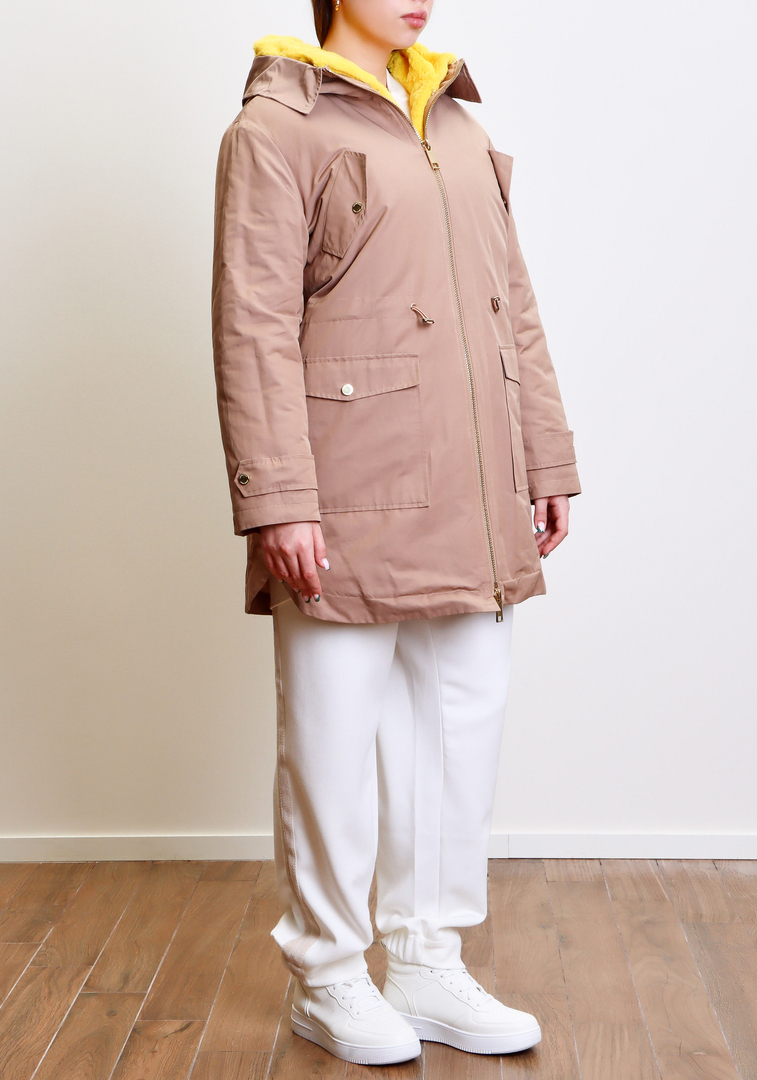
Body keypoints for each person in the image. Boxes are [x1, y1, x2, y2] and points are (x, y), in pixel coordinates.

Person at [211, 0, 580, 1066]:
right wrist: (279, 497)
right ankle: (328, 975)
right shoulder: (274, 128)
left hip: (474, 480)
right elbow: (251, 322)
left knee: (461, 724)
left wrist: (545, 456)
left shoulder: (457, 123)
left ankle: (426, 960)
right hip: (343, 486)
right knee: (332, 738)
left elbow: (514, 304)